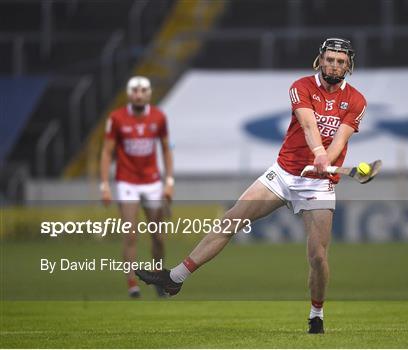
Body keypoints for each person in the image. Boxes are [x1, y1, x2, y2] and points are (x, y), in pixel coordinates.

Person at [136, 38, 367, 333]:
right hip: (284, 174)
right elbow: (309, 126)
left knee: (318, 257)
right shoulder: (302, 86)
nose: (334, 65)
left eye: (340, 61)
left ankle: (316, 314)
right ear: (320, 60)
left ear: (349, 66)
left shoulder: (357, 100)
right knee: (232, 219)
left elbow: (340, 141)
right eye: (330, 59)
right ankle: (175, 278)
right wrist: (319, 153)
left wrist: (326, 158)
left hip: (318, 186)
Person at [100, 76, 174, 298]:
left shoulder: (159, 117)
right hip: (127, 181)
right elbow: (106, 152)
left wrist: (169, 182)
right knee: (131, 235)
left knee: (158, 236)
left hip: (152, 181)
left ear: (149, 93)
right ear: (129, 93)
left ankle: (158, 274)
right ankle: (132, 283)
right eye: (135, 90)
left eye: (143, 90)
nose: (139, 94)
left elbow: (166, 150)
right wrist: (104, 185)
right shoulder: (117, 118)